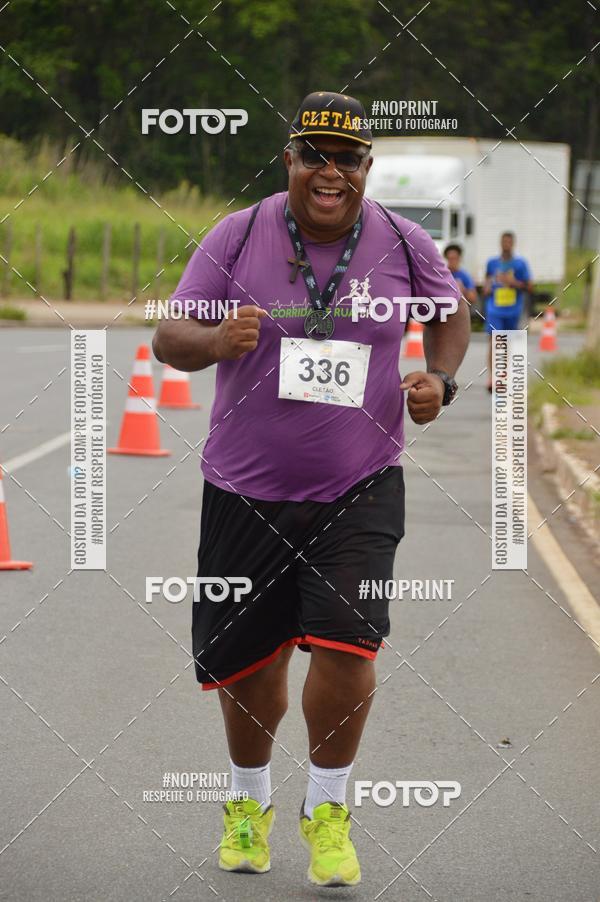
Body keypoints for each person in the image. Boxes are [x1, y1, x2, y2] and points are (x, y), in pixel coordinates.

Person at [153, 90, 470, 888]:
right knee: (250, 666)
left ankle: (328, 811)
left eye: (348, 158)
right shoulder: (240, 232)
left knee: (348, 644)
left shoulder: (403, 240)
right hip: (245, 488)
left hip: (359, 484)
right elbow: (169, 335)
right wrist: (215, 338)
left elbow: (450, 315)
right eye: (314, 156)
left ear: (369, 166)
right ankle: (248, 803)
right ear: (289, 160)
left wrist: (439, 377)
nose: (331, 173)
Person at [483, 232, 532, 390]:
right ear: (500, 243)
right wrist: (487, 287)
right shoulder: (492, 263)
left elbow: (529, 286)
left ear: (513, 243)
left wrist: (514, 282)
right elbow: (486, 284)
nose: (506, 244)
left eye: (509, 242)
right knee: (494, 341)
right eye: (504, 241)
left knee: (508, 343)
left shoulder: (520, 264)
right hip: (494, 309)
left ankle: (504, 376)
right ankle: (492, 377)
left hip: (513, 310)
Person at [443, 243, 477, 308]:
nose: (452, 261)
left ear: (459, 258)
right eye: (450, 258)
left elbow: (473, 298)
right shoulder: (441, 274)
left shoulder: (465, 276)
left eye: (455, 258)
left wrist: (462, 289)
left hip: (460, 310)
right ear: (446, 259)